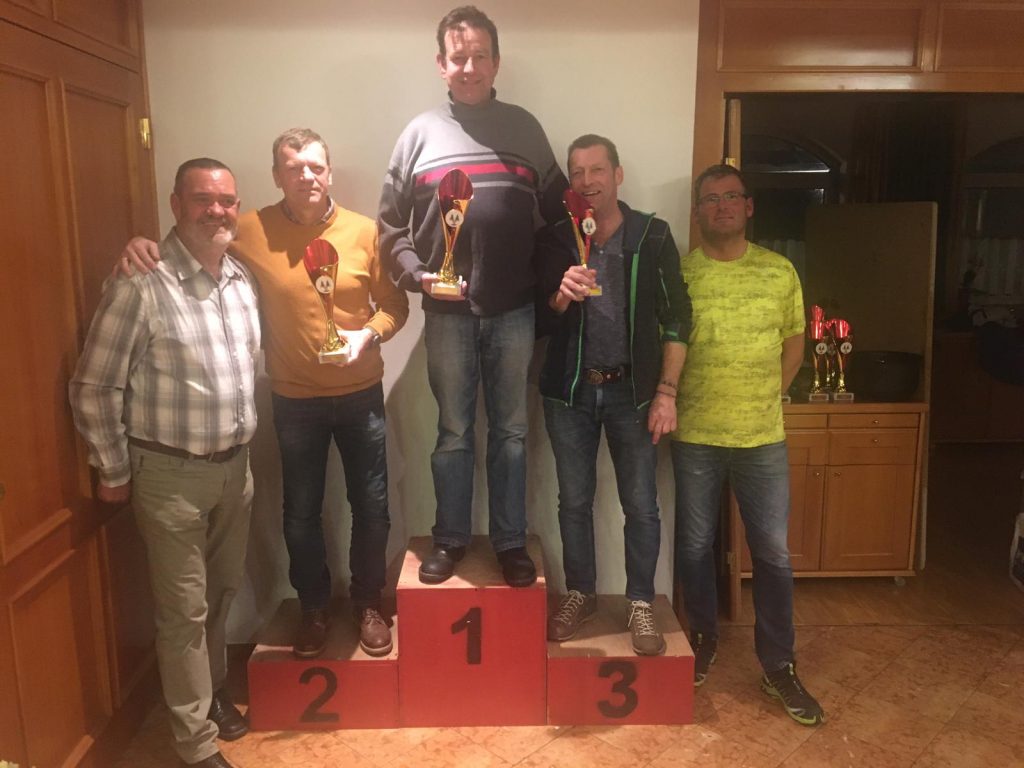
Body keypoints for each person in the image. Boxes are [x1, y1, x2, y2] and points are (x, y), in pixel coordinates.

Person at [118, 128, 409, 661]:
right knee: (300, 511)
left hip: (361, 395)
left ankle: (368, 603)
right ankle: (314, 607)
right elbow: (191, 240)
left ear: (330, 172)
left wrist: (369, 334)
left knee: (372, 507)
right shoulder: (248, 230)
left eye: (315, 166)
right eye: (293, 167)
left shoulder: (364, 232)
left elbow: (395, 306)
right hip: (294, 401)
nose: (306, 176)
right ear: (277, 176)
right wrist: (143, 243)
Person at [71, 159, 257, 768]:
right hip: (169, 477)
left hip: (235, 471)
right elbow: (93, 385)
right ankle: (195, 744)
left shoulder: (239, 279)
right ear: (175, 204)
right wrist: (113, 469)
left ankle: (213, 696)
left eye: (227, 200)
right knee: (184, 612)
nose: (217, 210)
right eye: (203, 199)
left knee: (221, 595)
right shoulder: (140, 284)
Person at [377, 5, 567, 586]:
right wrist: (417, 276)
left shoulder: (526, 128)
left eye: (480, 56)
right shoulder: (417, 134)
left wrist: (550, 282)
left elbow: (561, 217)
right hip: (446, 314)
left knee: (511, 432)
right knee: (454, 432)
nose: (469, 67)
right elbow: (389, 227)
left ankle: (510, 543)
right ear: (441, 64)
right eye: (458, 57)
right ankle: (451, 539)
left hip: (515, 312)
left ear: (496, 62)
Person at [671, 164, 825, 725]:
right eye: (710, 199)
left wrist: (770, 395)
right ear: (698, 212)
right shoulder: (682, 274)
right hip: (695, 434)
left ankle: (778, 665)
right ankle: (703, 636)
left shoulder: (779, 271)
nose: (722, 206)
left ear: (749, 206)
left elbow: (795, 342)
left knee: (773, 555)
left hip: (762, 438)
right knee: (694, 547)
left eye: (731, 196)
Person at [536, 135, 691, 655]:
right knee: (574, 502)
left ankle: (640, 602)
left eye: (597, 170)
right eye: (577, 172)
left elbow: (678, 316)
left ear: (618, 175)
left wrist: (666, 392)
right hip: (569, 394)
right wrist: (560, 296)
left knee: (641, 504)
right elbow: (536, 318)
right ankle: (580, 594)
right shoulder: (556, 238)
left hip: (634, 394)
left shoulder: (651, 234)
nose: (587, 181)